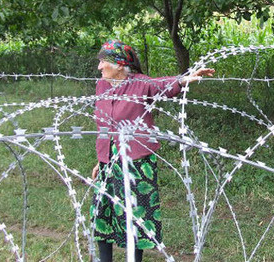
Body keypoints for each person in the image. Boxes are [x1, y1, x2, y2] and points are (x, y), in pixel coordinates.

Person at [90, 39, 214, 262]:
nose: (99, 67)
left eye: (103, 62)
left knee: (135, 217)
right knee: (102, 212)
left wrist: (186, 78)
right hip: (108, 159)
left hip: (136, 161)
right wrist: (100, 160)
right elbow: (103, 127)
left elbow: (163, 85)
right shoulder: (101, 86)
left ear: (119, 65)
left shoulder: (140, 84)